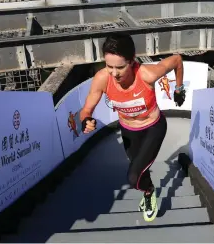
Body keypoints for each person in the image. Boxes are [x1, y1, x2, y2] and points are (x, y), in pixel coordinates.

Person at [79, 33, 186, 222]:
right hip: (129, 131)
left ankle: (150, 192)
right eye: (109, 66)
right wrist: (85, 120)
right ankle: (148, 192)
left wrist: (179, 89)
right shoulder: (103, 78)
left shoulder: (147, 74)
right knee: (139, 173)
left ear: (132, 60)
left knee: (133, 176)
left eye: (120, 67)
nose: (114, 73)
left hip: (153, 127)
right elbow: (86, 109)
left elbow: (177, 60)